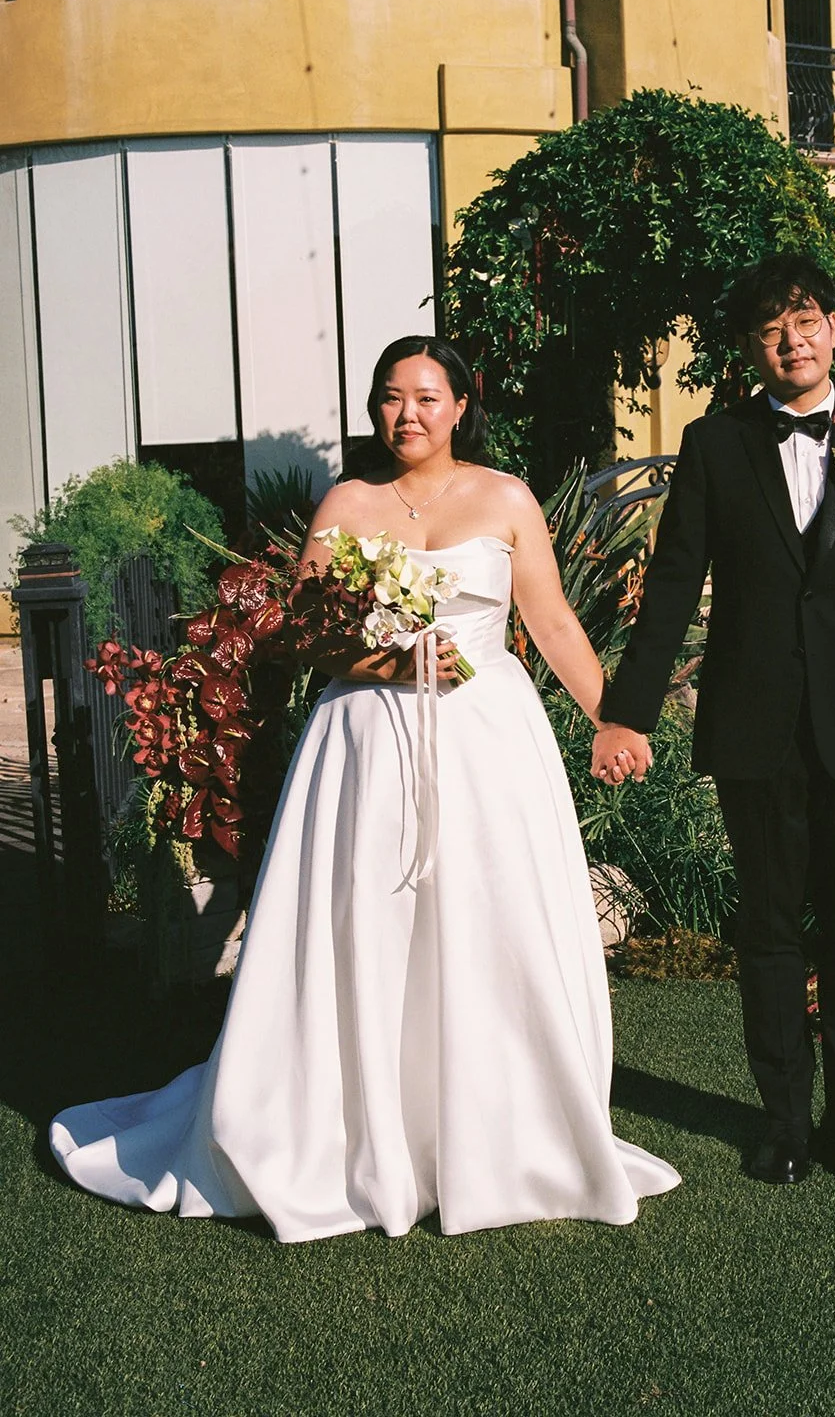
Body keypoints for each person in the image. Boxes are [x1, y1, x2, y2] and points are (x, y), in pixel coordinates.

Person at [50, 335, 679, 1241]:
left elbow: (549, 619)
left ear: (462, 405)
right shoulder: (348, 500)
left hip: (487, 742)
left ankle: (501, 1130)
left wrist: (610, 719)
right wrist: (381, 654)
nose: (407, 413)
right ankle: (354, 1130)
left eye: (428, 396)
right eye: (391, 397)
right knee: (366, 922)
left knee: (487, 920)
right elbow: (307, 631)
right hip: (363, 742)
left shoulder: (506, 498)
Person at [591, 253, 835, 1186]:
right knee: (767, 926)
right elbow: (671, 586)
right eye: (768, 329)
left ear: (833, 327)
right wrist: (627, 713)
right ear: (751, 346)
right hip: (754, 723)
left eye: (803, 322)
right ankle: (784, 1121)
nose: (789, 341)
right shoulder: (716, 445)